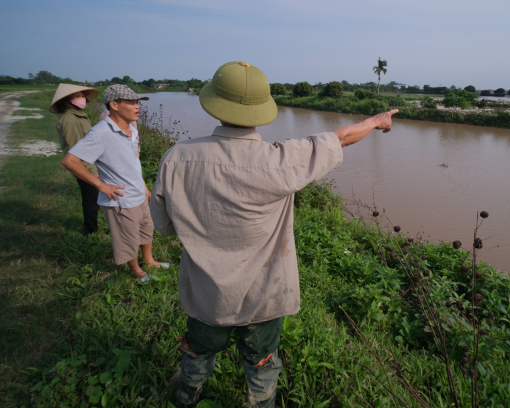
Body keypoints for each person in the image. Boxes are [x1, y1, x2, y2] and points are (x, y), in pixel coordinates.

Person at [150, 61, 397, 406]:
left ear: (214, 104)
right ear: (262, 110)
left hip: (206, 293)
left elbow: (163, 226)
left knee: (198, 350)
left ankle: (186, 394)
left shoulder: (177, 158)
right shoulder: (281, 160)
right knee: (261, 359)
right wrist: (376, 121)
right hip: (262, 297)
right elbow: (339, 139)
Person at [61, 84, 168, 281]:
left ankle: (150, 260)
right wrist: (101, 185)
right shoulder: (101, 133)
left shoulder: (132, 130)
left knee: (146, 228)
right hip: (120, 200)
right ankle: (136, 271)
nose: (137, 107)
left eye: (138, 103)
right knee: (127, 238)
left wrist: (144, 187)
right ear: (114, 105)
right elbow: (70, 161)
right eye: (131, 103)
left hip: (138, 194)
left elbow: (133, 162)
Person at [50, 83, 100, 235]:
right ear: (66, 101)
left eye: (82, 95)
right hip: (85, 168)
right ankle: (90, 233)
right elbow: (77, 151)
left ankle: (93, 229)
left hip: (91, 165)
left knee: (95, 200)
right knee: (91, 202)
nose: (82, 98)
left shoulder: (79, 116)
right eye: (77, 96)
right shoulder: (70, 120)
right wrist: (92, 172)